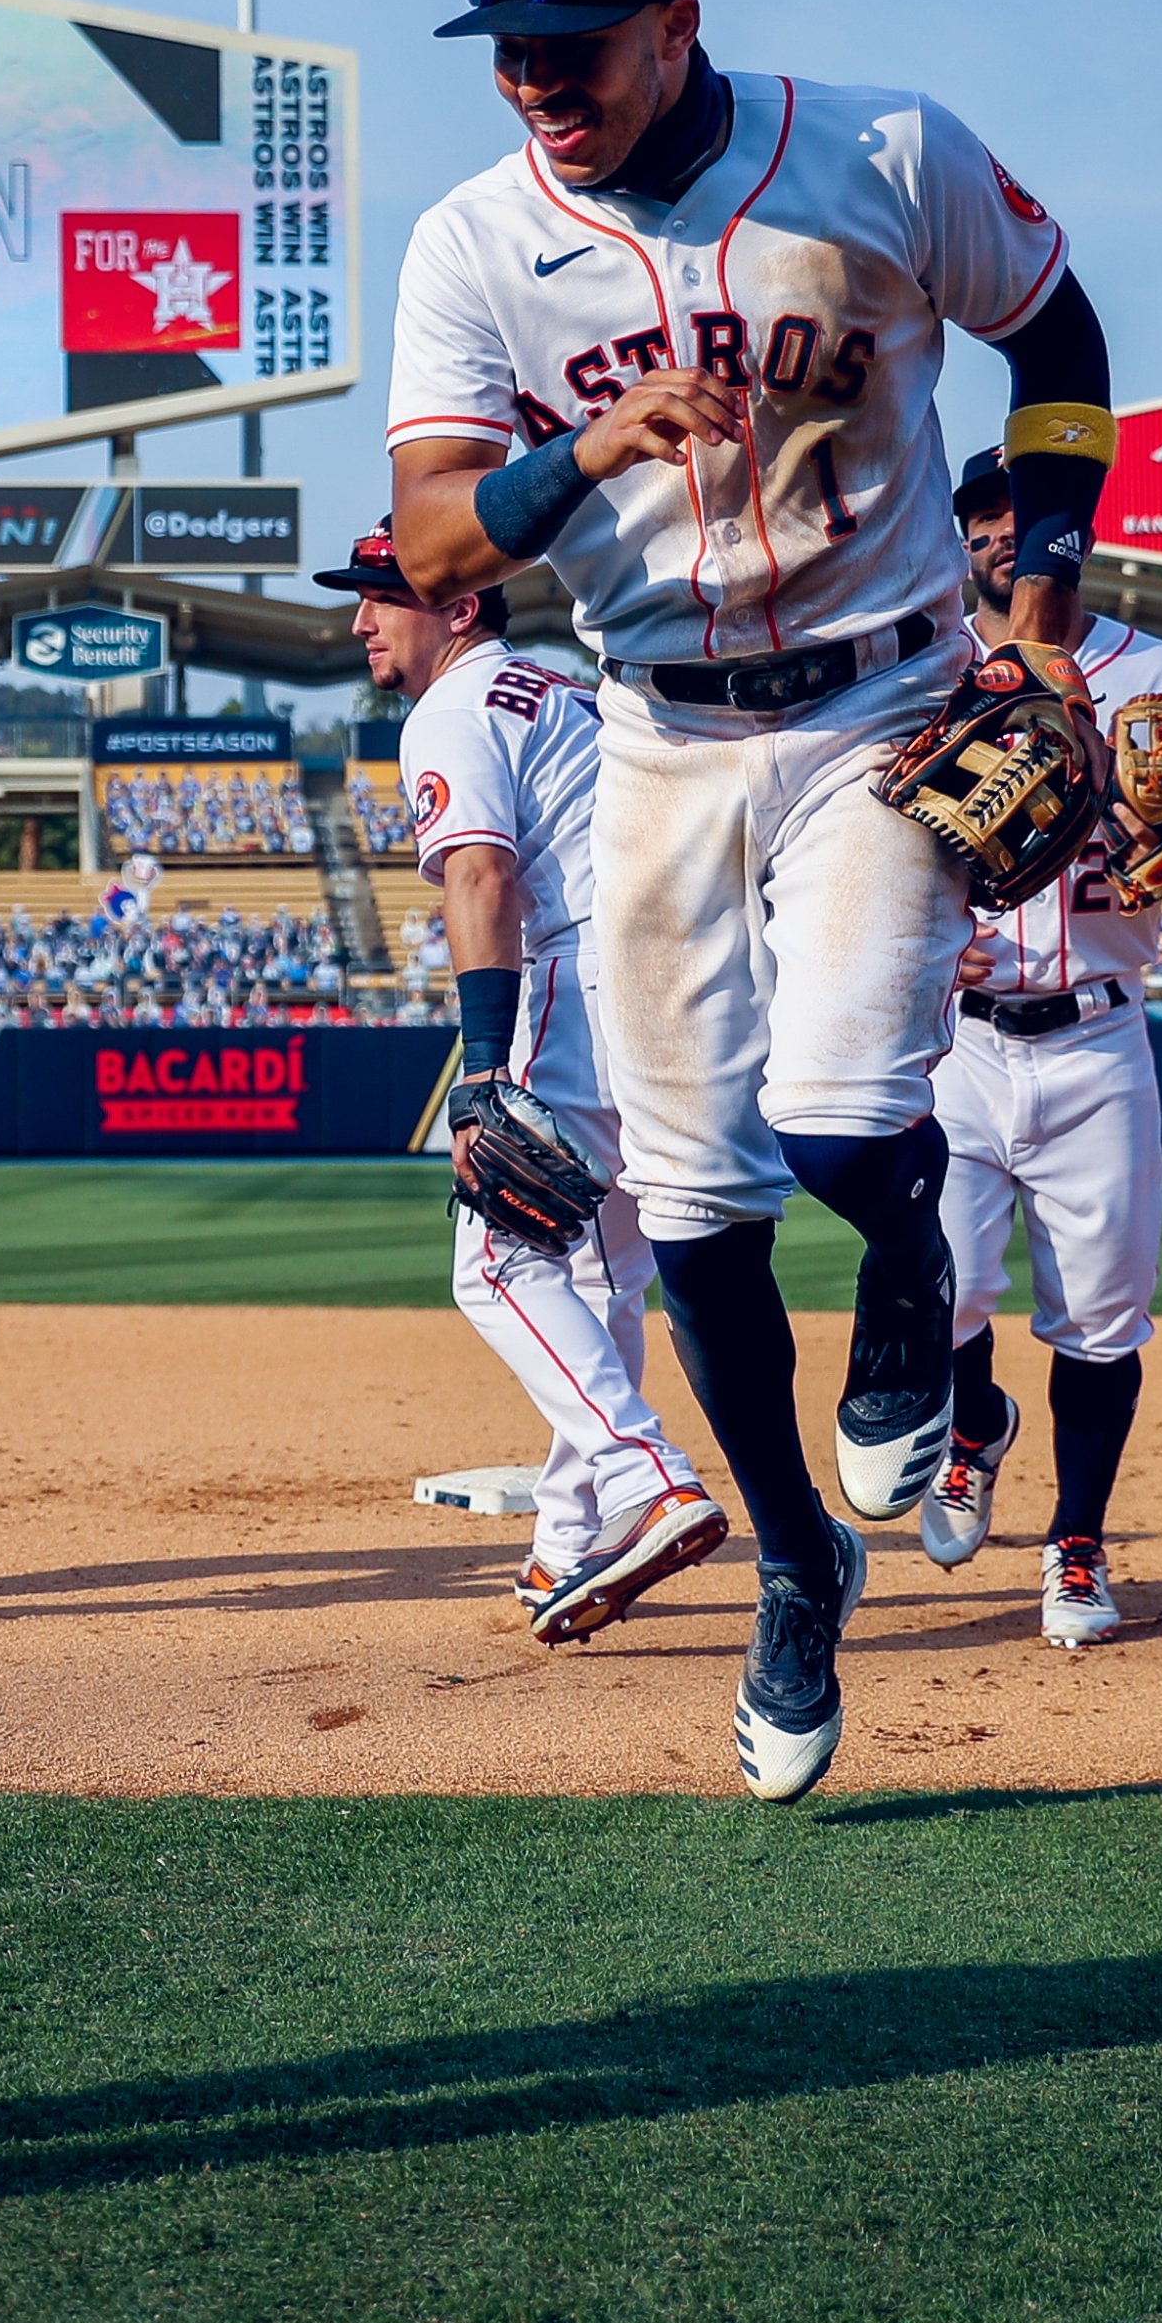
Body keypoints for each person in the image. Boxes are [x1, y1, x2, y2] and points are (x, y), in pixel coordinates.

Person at [382, 0, 1120, 1802]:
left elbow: (1059, 337)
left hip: (887, 698)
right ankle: (801, 1559)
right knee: (697, 1211)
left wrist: (1038, 619)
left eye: (571, 46)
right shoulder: (470, 244)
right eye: (509, 52)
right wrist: (593, 448)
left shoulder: (878, 151)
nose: (535, 82)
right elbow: (446, 539)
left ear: (673, 28)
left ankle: (914, 1307)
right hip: (655, 736)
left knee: (842, 1118)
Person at [317, 522, 727, 1643]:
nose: (360, 618)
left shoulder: (449, 709)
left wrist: (485, 1065)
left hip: (582, 973)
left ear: (459, 608)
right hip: (689, 977)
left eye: (383, 596)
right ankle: (569, 1534)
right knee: (597, 1275)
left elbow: (485, 874)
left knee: (494, 1266)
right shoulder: (557, 687)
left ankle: (649, 1481)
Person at [915, 450, 1162, 1647]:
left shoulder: (1161, 673)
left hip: (1098, 1033)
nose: (1007, 532)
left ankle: (1075, 1545)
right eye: (986, 514)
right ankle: (970, 1431)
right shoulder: (926, 669)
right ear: (960, 536)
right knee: (932, 1290)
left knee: (1101, 1321)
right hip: (956, 1041)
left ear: (1074, 532)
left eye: (1029, 512)